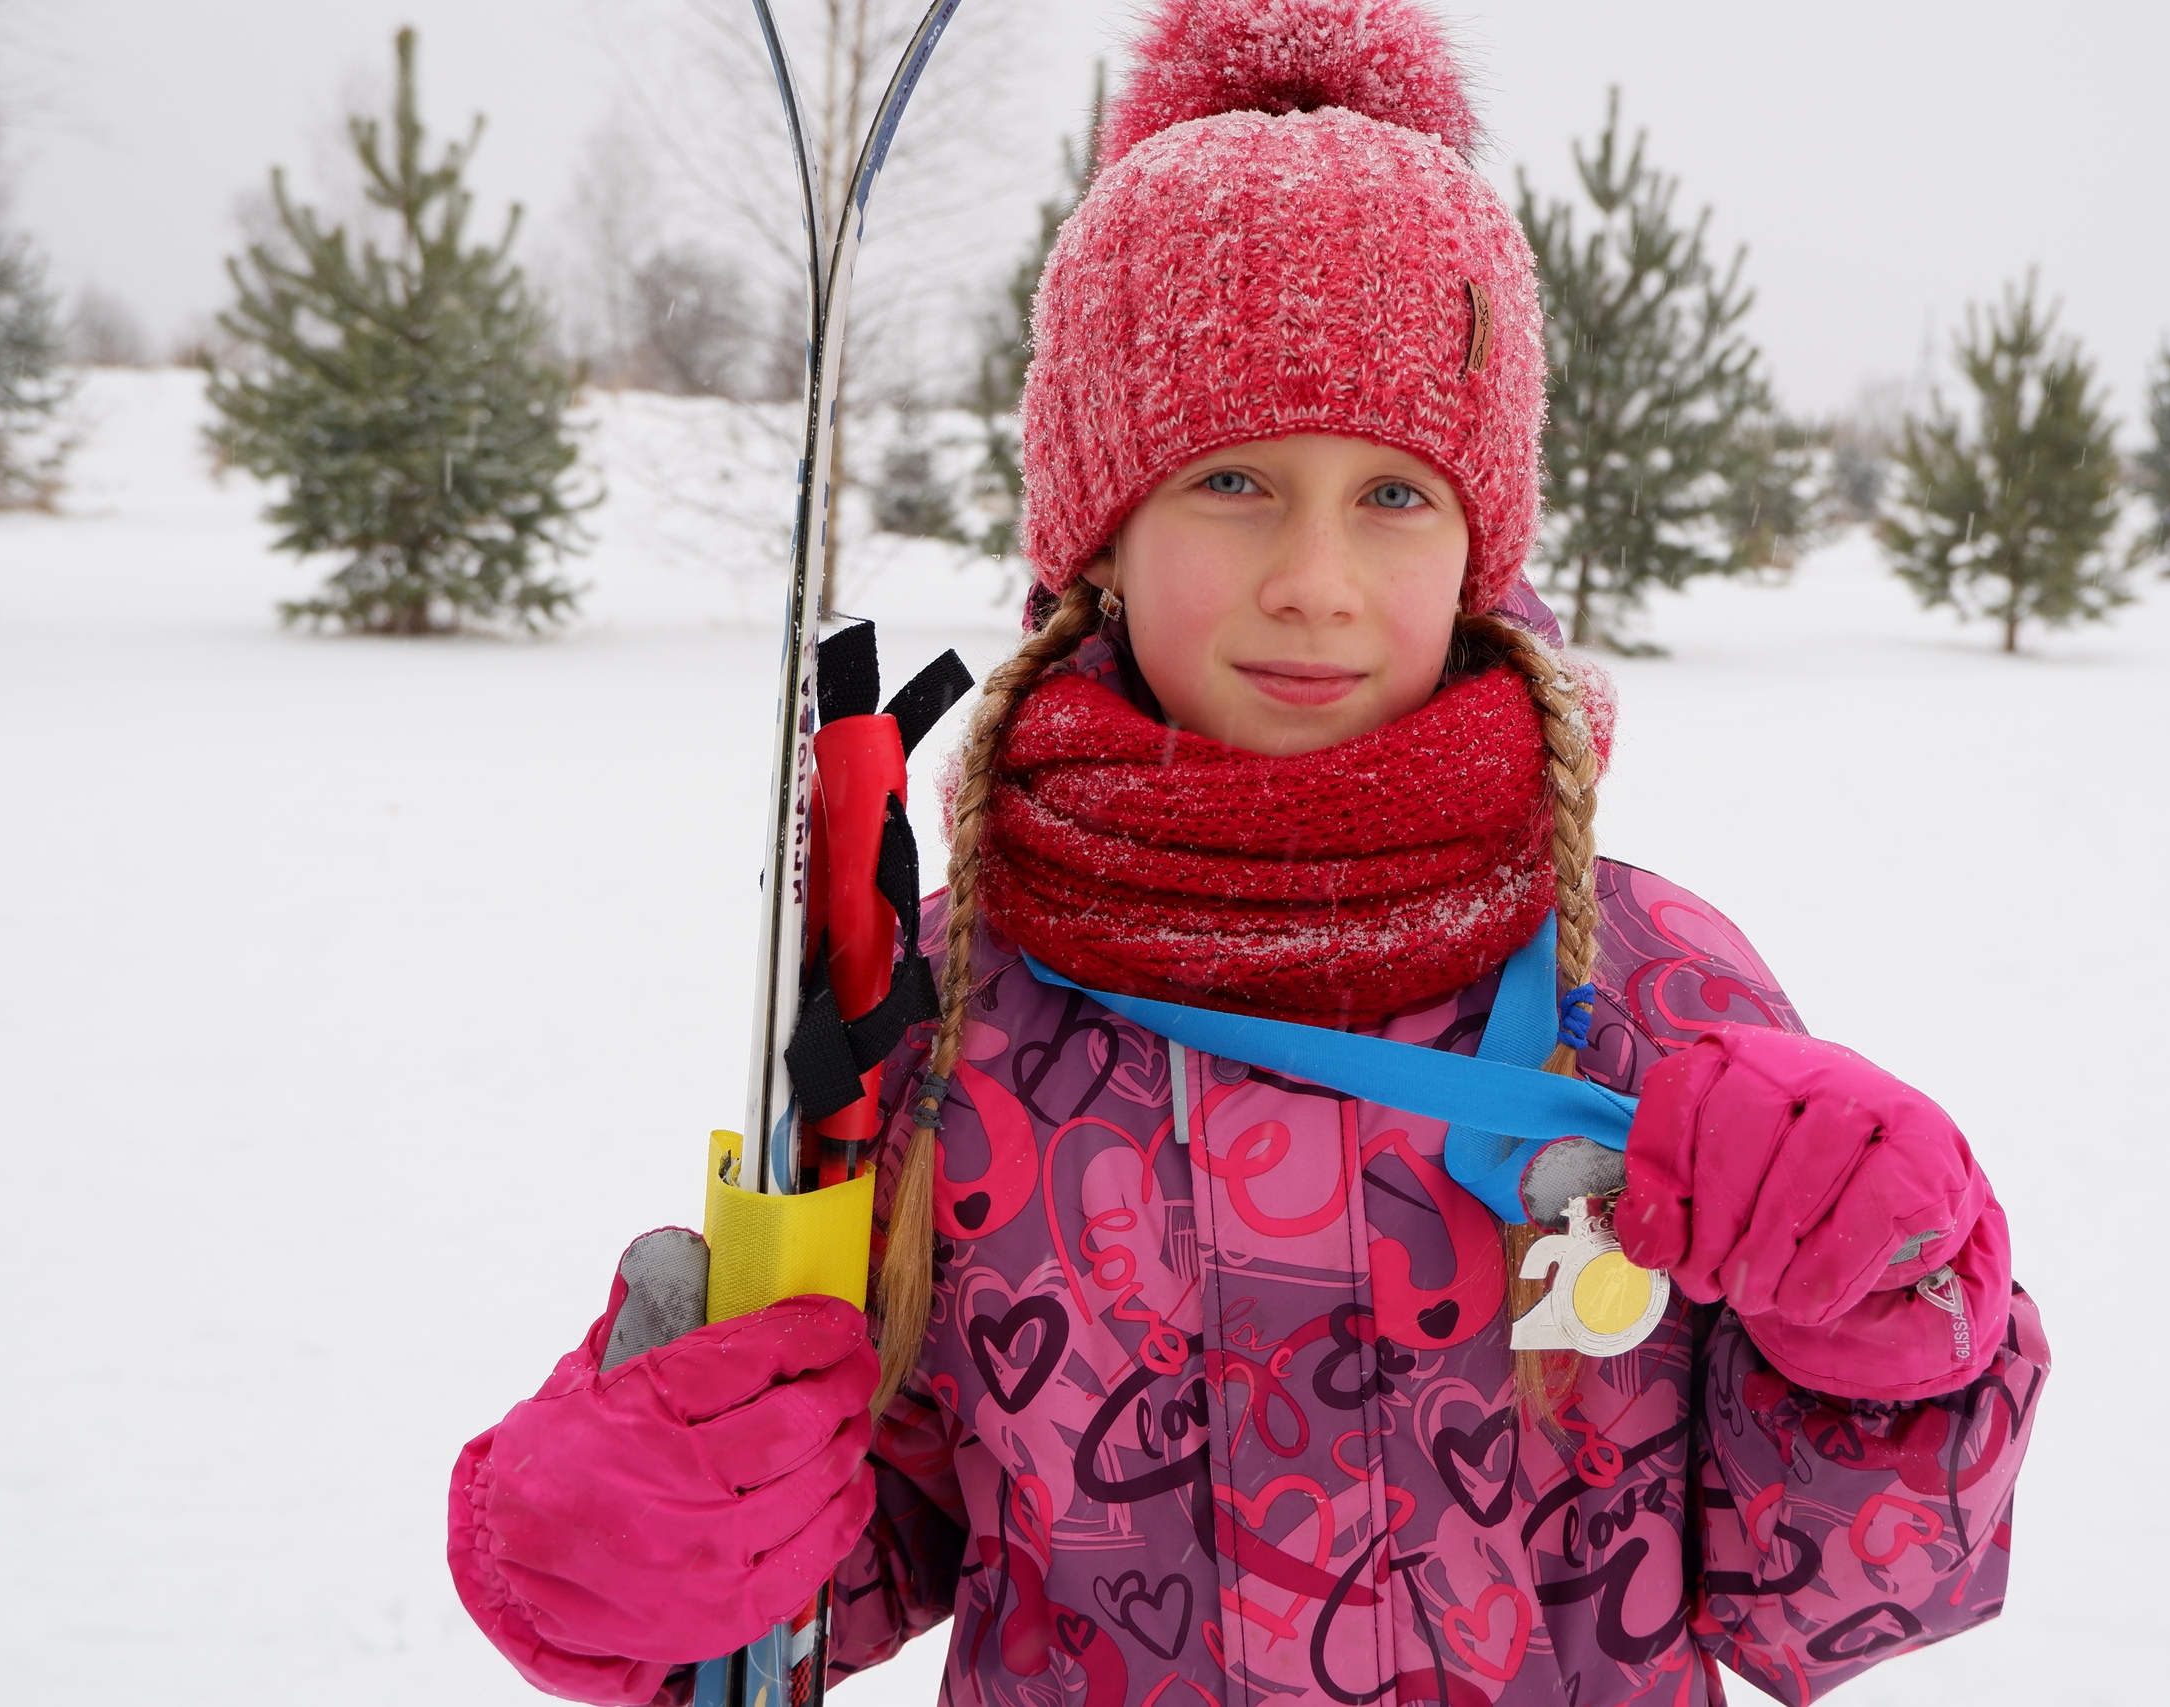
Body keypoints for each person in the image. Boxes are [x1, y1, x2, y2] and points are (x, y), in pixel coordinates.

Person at [446, 2, 2050, 1703]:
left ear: (1481, 543)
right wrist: (632, 1547)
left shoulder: (1645, 992)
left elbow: (1825, 1601)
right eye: (1230, 478)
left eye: (1394, 494)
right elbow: (861, 1533)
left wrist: (1886, 1333)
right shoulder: (937, 1009)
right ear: (1100, 537)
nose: (1316, 580)